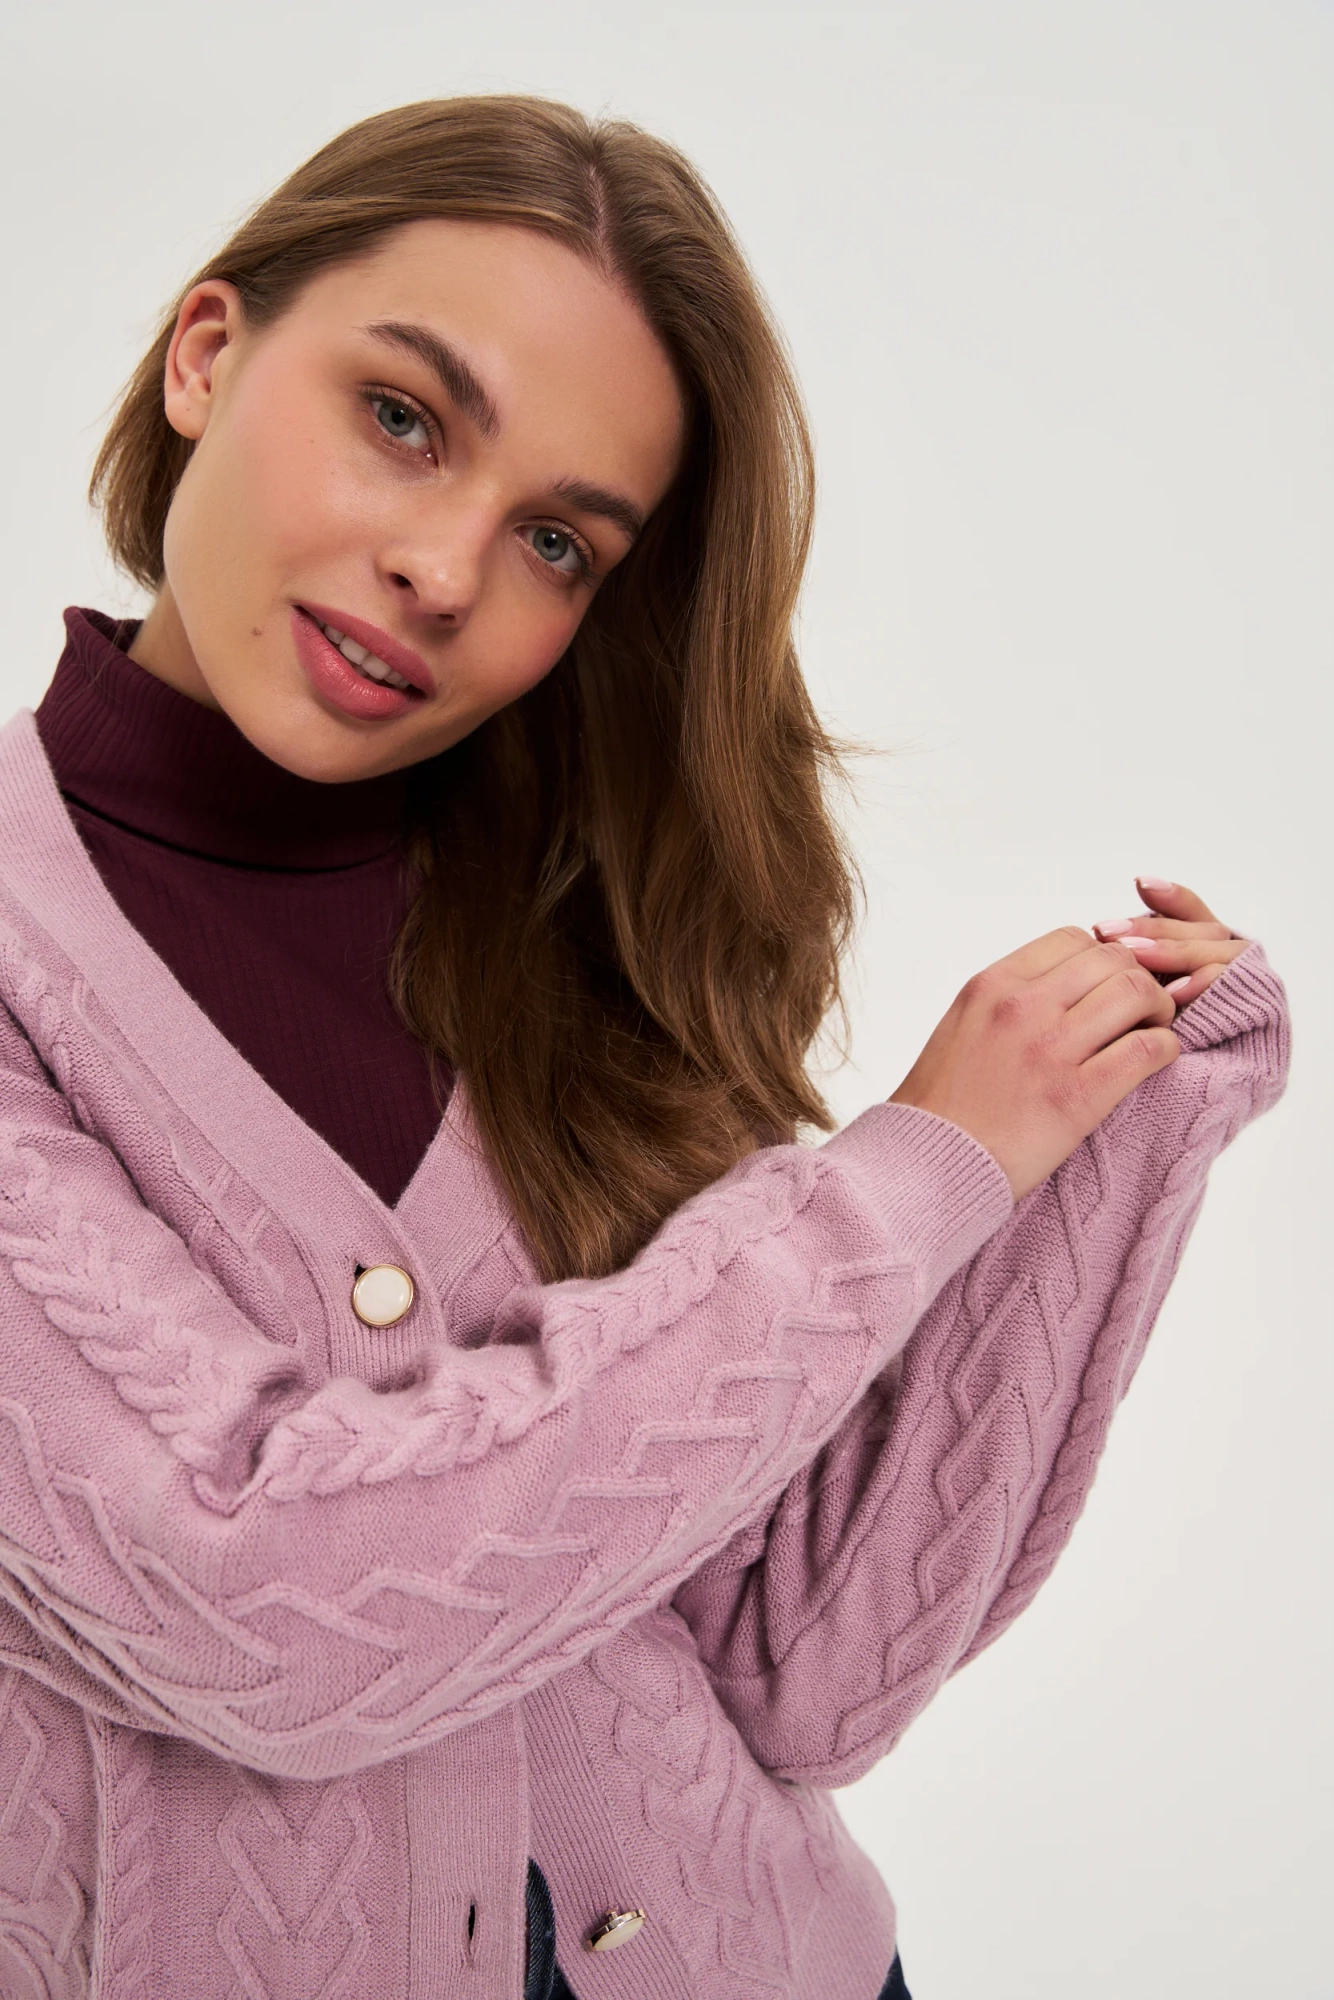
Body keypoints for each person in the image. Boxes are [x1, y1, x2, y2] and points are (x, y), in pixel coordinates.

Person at [0, 95, 1287, 2000]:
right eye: (401, 417)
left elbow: (802, 1673)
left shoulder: (579, 937)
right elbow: (263, 1607)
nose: (447, 569)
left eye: (556, 540)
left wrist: (1084, 1147)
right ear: (207, 355)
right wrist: (897, 1183)